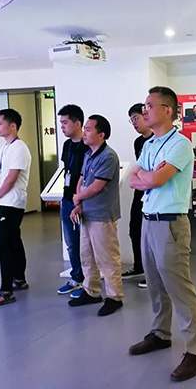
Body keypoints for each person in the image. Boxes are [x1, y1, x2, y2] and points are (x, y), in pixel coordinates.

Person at [128, 86, 196, 382]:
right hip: (149, 220)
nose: (144, 110)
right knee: (155, 284)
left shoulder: (180, 144)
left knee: (179, 288)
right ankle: (160, 333)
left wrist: (149, 177)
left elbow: (156, 179)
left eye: (150, 105)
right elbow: (132, 178)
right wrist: (148, 177)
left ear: (168, 110)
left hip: (170, 223)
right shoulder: (149, 144)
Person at [68, 114, 123, 317]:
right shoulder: (88, 154)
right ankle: (92, 291)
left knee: (107, 258)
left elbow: (97, 186)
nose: (84, 133)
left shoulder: (108, 156)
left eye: (89, 129)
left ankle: (115, 297)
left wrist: (77, 197)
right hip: (87, 214)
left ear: (101, 134)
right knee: (87, 256)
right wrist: (78, 203)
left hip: (102, 216)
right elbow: (82, 180)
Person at [0, 109, 31, 308]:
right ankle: (19, 278)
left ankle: (6, 291)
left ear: (13, 125)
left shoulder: (20, 148)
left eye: (0, 123)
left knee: (4, 245)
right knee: (13, 241)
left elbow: (11, 178)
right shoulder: (4, 148)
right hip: (2, 202)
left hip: (12, 203)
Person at [57, 105, 89, 297]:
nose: (62, 126)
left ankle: (89, 281)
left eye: (65, 122)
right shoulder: (67, 145)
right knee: (71, 242)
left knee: (86, 243)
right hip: (67, 199)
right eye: (60, 123)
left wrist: (80, 200)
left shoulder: (88, 145)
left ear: (77, 123)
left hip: (83, 201)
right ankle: (77, 277)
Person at [121, 103, 152, 289]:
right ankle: (139, 265)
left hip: (153, 190)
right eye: (131, 119)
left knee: (151, 234)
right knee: (135, 228)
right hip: (140, 189)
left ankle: (152, 273)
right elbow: (139, 168)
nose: (134, 122)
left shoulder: (157, 140)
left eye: (136, 118)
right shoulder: (138, 142)